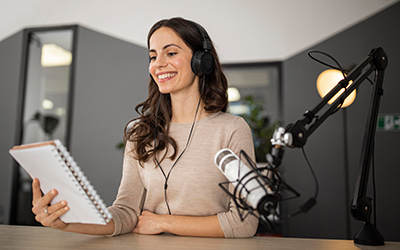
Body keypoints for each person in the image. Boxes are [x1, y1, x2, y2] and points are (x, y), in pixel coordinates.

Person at [31, 17, 258, 238]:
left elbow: (244, 222)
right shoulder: (141, 132)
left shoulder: (232, 129)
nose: (158, 64)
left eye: (170, 53)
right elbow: (127, 212)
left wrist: (164, 222)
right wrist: (71, 221)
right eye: (152, 56)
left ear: (201, 61)